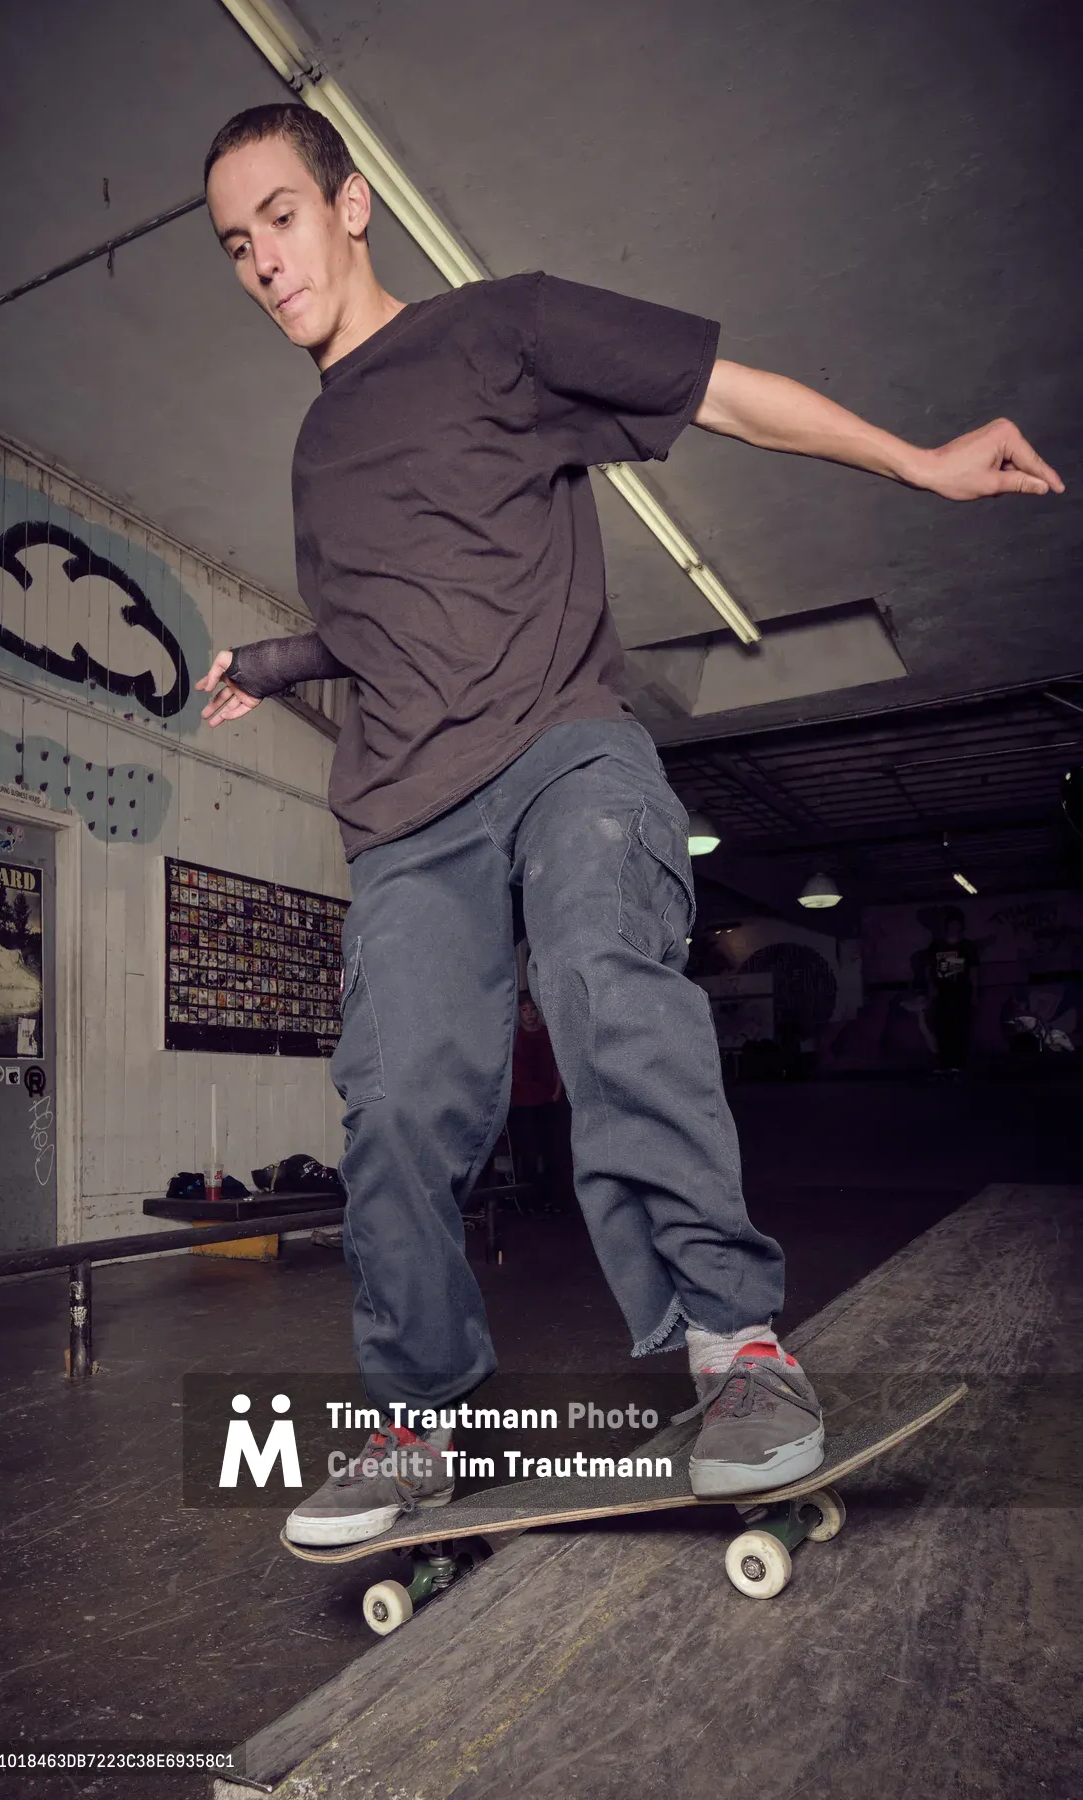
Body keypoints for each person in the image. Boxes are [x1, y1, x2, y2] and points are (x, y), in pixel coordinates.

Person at [195, 103, 1062, 1548]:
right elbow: (372, 619)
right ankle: (418, 1424)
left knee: (604, 974)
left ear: (352, 206)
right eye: (236, 245)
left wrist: (914, 460)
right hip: (410, 814)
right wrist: (272, 663)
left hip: (562, 753)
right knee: (397, 1096)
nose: (264, 262)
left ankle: (739, 1357)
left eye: (280, 218)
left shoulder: (506, 331)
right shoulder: (316, 450)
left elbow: (723, 390)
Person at [506, 990, 568, 1211]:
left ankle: (554, 1200)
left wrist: (557, 1092)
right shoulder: (515, 1037)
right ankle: (530, 1202)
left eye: (533, 1009)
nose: (530, 1014)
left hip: (548, 1100)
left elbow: (558, 1064)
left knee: (553, 1151)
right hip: (523, 1102)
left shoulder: (548, 1035)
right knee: (529, 1152)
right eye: (524, 1010)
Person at [920, 908, 980, 1073]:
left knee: (960, 1027)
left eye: (957, 925)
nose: (954, 927)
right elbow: (928, 969)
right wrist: (931, 987)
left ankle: (959, 1063)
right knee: (942, 1027)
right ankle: (944, 1062)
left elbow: (974, 970)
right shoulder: (936, 946)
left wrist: (974, 992)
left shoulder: (967, 947)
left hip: (961, 993)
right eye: (951, 924)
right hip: (942, 994)